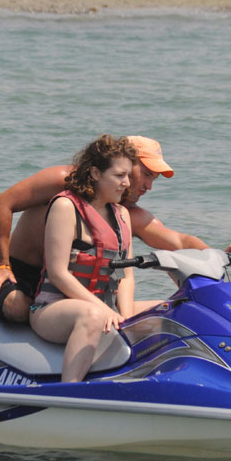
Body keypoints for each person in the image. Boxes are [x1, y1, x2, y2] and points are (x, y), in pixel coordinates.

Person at [0, 135, 231, 322]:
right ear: (124, 162)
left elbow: (178, 241)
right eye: (145, 174)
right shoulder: (64, 183)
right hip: (19, 274)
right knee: (19, 310)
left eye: (153, 179)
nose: (148, 186)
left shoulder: (126, 213)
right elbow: (1, 204)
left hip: (71, 289)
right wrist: (2, 265)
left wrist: (218, 255)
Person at [28, 135, 144, 382]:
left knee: (173, 311)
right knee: (92, 316)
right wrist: (103, 310)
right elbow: (59, 274)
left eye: (129, 177)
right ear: (94, 173)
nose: (126, 183)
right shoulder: (65, 207)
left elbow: (126, 277)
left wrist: (126, 318)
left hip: (105, 305)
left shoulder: (122, 214)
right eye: (119, 176)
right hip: (53, 308)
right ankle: (69, 392)